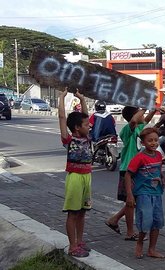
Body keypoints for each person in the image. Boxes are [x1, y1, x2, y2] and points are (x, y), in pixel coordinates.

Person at [106, 106, 157, 241]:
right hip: (128, 170)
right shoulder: (127, 130)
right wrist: (144, 107)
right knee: (130, 203)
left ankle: (114, 219)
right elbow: (134, 121)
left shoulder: (140, 129)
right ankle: (129, 232)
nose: (143, 116)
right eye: (140, 114)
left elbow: (146, 120)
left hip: (139, 171)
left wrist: (153, 110)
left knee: (133, 201)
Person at [58, 88, 93, 258]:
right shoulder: (69, 139)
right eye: (86, 125)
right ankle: (73, 246)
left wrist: (82, 98)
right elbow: (62, 118)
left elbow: (85, 115)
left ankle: (80, 242)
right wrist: (62, 98)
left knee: (82, 212)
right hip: (75, 178)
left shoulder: (87, 138)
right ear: (77, 128)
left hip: (87, 176)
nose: (89, 126)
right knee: (73, 212)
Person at [125, 127, 165, 259]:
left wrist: (162, 177)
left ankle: (152, 249)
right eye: (150, 141)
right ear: (143, 143)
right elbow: (128, 174)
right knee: (145, 221)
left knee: (157, 221)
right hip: (143, 194)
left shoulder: (159, 155)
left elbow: (159, 169)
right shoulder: (140, 158)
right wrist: (130, 195)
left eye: (156, 140)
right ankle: (140, 243)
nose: (154, 143)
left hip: (156, 193)